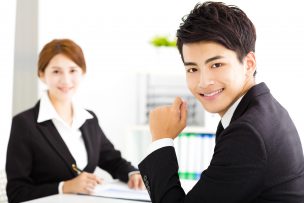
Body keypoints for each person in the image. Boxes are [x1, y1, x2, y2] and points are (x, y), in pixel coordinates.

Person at [138, 2, 304, 203]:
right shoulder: (260, 110)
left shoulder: (248, 133)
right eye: (192, 69)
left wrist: (161, 140)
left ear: (248, 64)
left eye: (216, 65)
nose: (203, 82)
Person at [6, 39, 144, 203]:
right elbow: (16, 193)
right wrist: (64, 187)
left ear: (82, 73)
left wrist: (132, 173)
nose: (66, 80)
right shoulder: (25, 124)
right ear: (42, 74)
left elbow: (112, 159)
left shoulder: (88, 119)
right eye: (56, 71)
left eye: (72, 70)